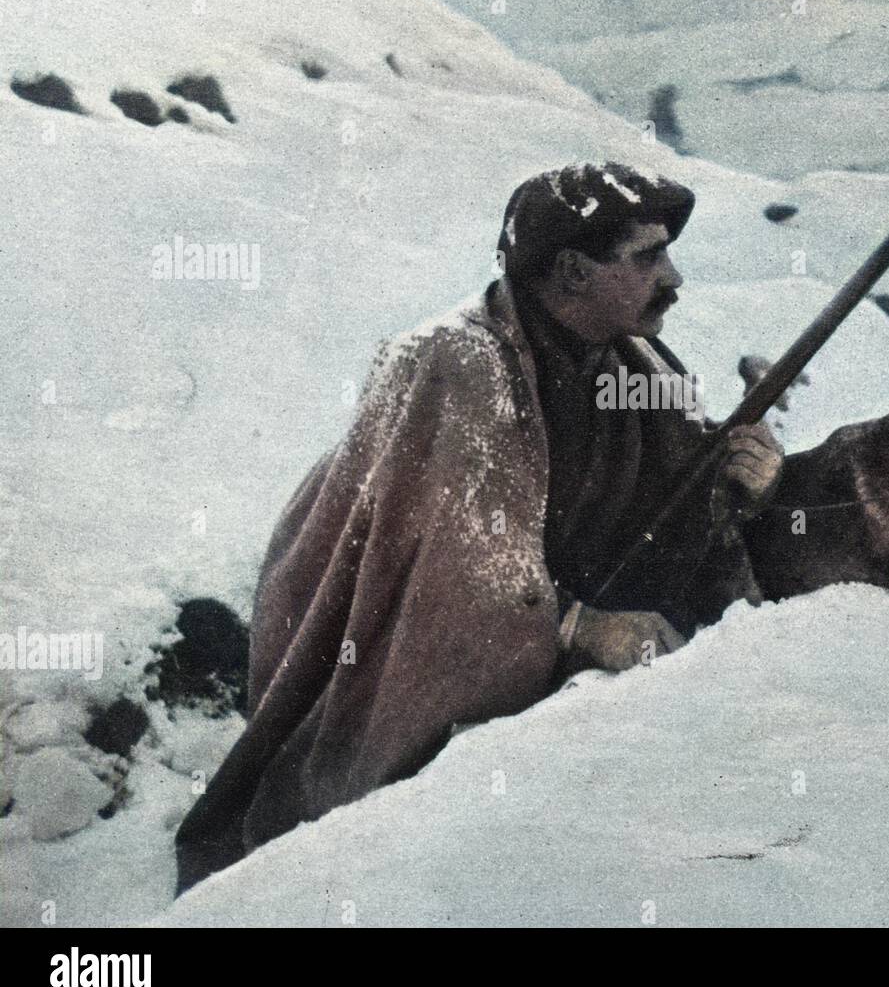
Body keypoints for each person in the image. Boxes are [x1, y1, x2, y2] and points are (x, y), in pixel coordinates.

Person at [173, 162, 783, 892]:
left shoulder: (636, 360)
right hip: (388, 635)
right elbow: (466, 576)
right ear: (571, 272)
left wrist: (738, 486)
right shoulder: (457, 363)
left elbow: (671, 495)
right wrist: (588, 628)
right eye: (648, 257)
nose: (675, 277)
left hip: (525, 616)